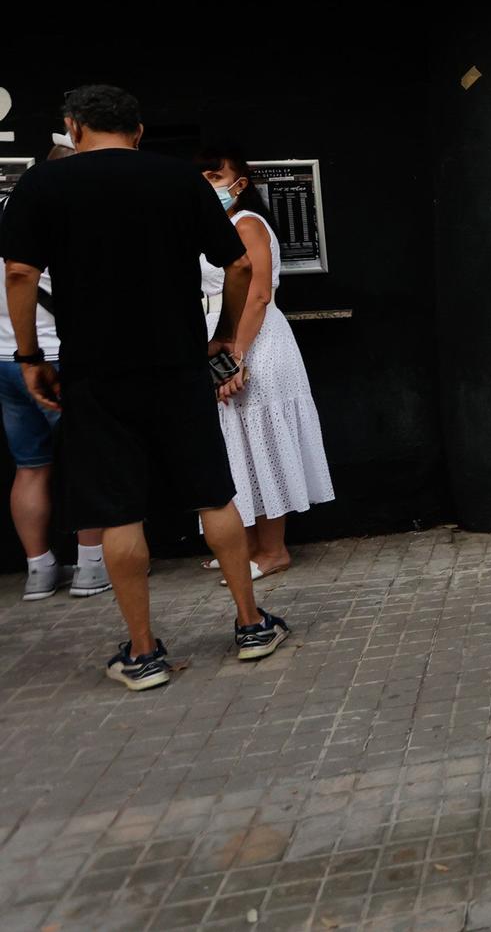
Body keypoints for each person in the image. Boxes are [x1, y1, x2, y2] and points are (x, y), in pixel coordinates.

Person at [0, 85, 287, 692]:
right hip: (178, 363)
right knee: (213, 494)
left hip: (95, 370)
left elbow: (21, 271)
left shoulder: (41, 186)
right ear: (137, 131)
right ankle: (251, 623)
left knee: (117, 509)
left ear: (73, 127)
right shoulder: (179, 181)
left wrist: (29, 355)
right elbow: (238, 265)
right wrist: (225, 337)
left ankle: (143, 651)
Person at [194, 147, 337, 579]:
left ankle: (272, 550)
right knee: (237, 447)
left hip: (255, 341)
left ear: (241, 184)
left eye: (216, 176)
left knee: (263, 443)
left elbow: (256, 295)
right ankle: (245, 545)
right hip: (226, 340)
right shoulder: (211, 228)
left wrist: (235, 357)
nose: (208, 184)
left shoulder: (248, 223)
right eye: (202, 176)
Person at [1, 143, 107, 602]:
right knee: (91, 461)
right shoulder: (69, 214)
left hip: (5, 359)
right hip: (58, 357)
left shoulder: (10, 212)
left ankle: (39, 570)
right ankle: (91, 566)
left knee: (30, 467)